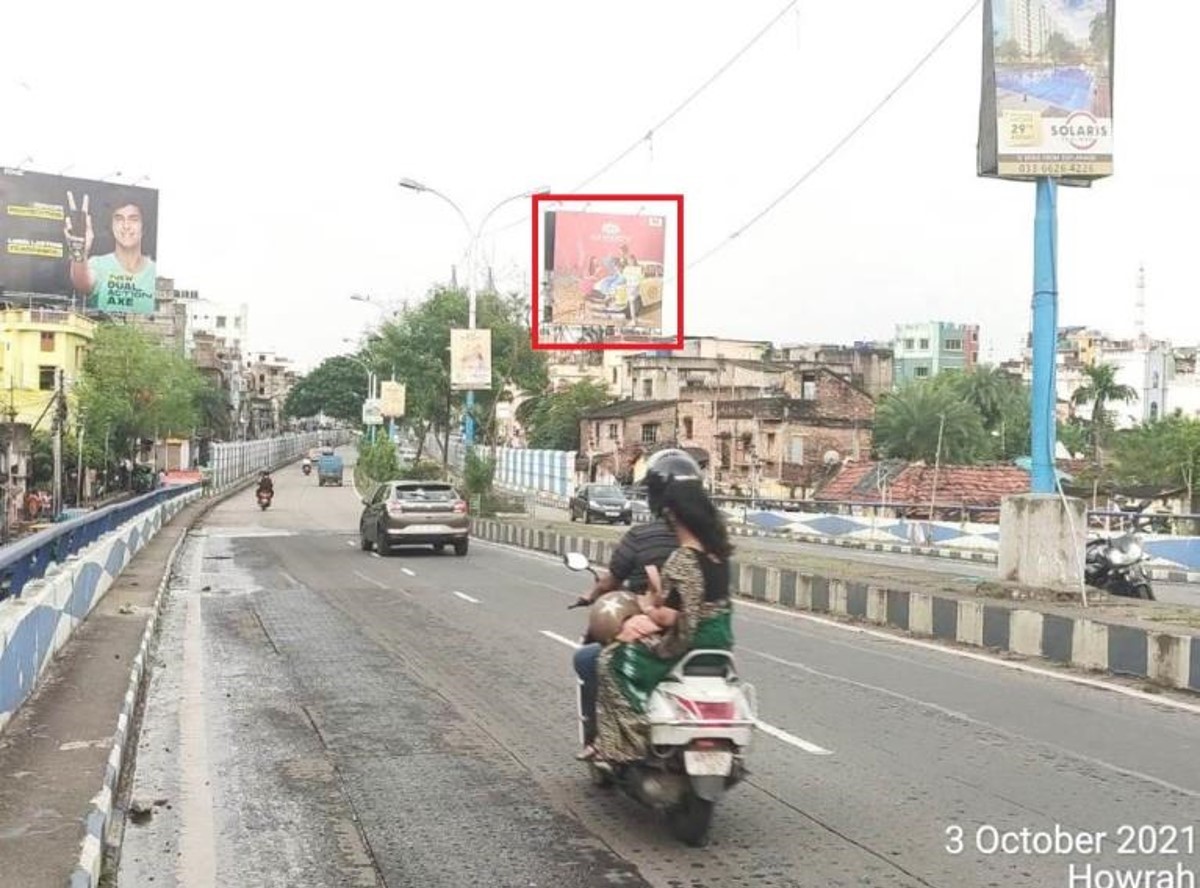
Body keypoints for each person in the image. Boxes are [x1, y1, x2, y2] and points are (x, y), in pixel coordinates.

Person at [587, 468, 734, 765]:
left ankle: (630, 741)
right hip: (719, 644)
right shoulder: (720, 556)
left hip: (686, 644)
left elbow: (672, 617)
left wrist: (648, 609)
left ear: (675, 516)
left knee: (608, 662)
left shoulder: (683, 559)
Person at [571, 449, 702, 757]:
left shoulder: (643, 537)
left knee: (591, 660)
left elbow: (612, 581)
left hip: (662, 636)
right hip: (706, 642)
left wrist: (591, 597)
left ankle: (602, 741)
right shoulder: (711, 544)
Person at [64, 190, 157, 313]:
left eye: (133, 219)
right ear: (111, 226)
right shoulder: (98, 264)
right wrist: (79, 250)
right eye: (119, 219)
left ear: (143, 227)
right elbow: (82, 283)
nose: (126, 226)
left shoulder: (155, 272)